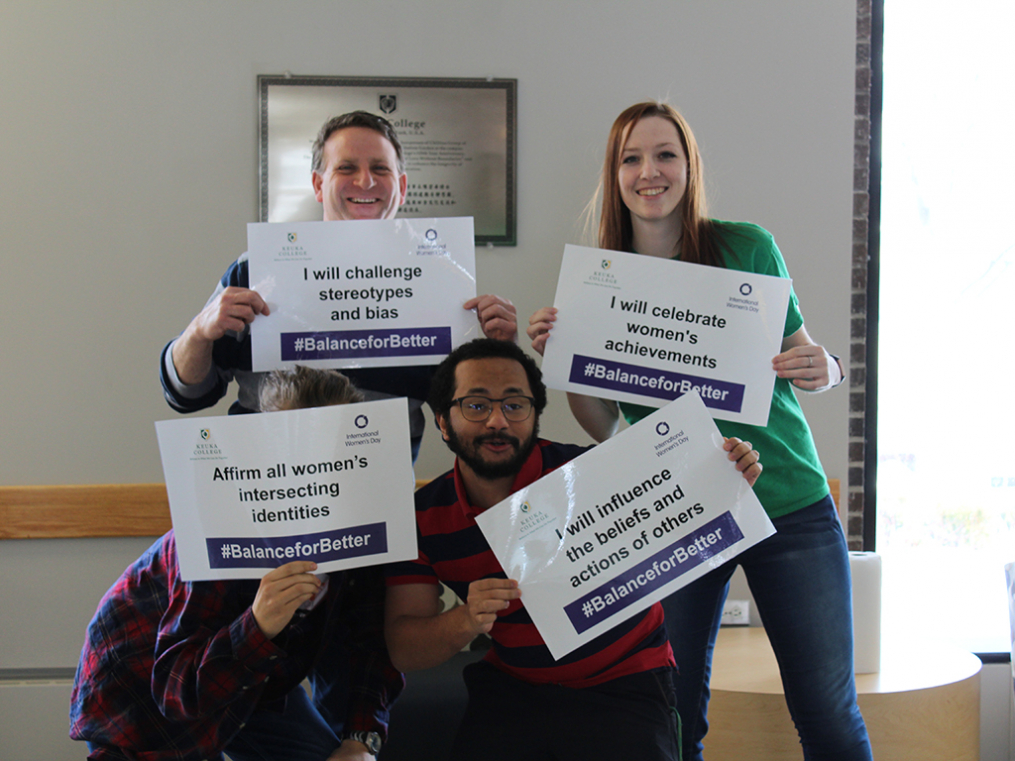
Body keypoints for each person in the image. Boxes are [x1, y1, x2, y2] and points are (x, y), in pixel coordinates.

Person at [527, 102, 872, 761]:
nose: (648, 171)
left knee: (826, 712)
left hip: (789, 503)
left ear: (688, 168)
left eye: (664, 155)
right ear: (614, 173)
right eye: (631, 158)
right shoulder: (598, 281)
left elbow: (810, 359)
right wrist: (565, 360)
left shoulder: (745, 245)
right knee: (674, 718)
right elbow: (605, 426)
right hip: (678, 511)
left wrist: (825, 366)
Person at [384, 338, 762, 761]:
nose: (497, 421)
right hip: (515, 687)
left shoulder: (589, 474)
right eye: (475, 405)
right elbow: (405, 648)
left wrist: (724, 483)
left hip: (626, 680)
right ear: (442, 421)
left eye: (515, 405)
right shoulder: (422, 517)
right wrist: (466, 619)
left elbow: (678, 528)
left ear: (535, 415)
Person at [70, 367, 402, 761]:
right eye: (289, 446)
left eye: (325, 445)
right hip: (141, 688)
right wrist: (258, 625)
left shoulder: (364, 524)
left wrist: (361, 740)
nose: (307, 468)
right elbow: (178, 694)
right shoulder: (217, 527)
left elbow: (370, 643)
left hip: (256, 686)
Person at [160, 110, 517, 460]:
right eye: (346, 168)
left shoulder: (441, 280)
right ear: (318, 184)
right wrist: (197, 334)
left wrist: (501, 351)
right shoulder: (257, 269)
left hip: (377, 492)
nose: (365, 181)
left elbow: (467, 418)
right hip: (264, 491)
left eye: (380, 168)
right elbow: (187, 395)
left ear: (402, 186)